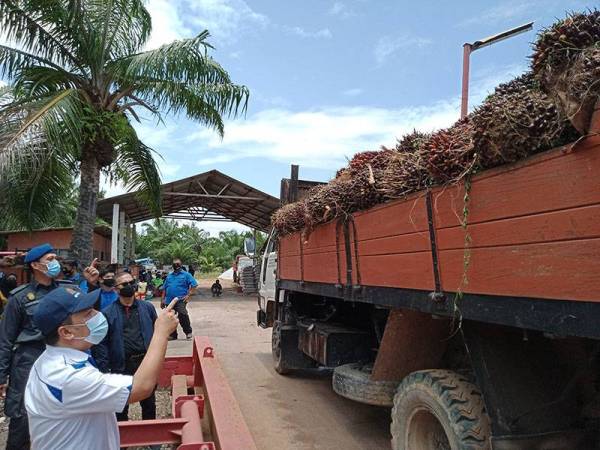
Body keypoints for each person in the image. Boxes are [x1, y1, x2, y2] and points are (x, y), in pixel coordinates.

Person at [24, 287, 178, 450]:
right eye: (88, 314)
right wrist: (161, 332)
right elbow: (141, 387)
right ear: (67, 332)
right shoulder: (69, 376)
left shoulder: (50, 360)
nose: (98, 316)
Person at [95, 272, 158, 421]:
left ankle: (152, 439)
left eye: (131, 282)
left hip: (145, 363)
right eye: (124, 284)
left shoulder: (147, 308)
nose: (129, 286)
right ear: (116, 289)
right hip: (121, 366)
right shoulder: (107, 313)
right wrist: (104, 370)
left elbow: (157, 335)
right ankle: (122, 440)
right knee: (120, 405)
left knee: (149, 402)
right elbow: (101, 344)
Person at [161, 258, 197, 340]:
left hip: (181, 299)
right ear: (172, 266)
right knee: (170, 317)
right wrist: (162, 300)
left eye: (178, 264)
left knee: (182, 314)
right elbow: (164, 289)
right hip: (169, 300)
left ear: (181, 265)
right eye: (174, 265)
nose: (176, 266)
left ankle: (188, 332)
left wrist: (188, 295)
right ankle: (173, 335)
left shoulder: (186, 275)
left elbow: (194, 285)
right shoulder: (169, 276)